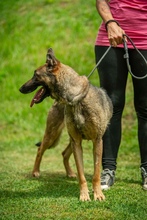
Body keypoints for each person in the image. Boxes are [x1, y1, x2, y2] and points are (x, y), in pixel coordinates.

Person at [95, 0, 147, 190]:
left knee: (146, 108)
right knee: (111, 105)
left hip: (146, 40)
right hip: (111, 38)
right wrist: (110, 22)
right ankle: (108, 170)